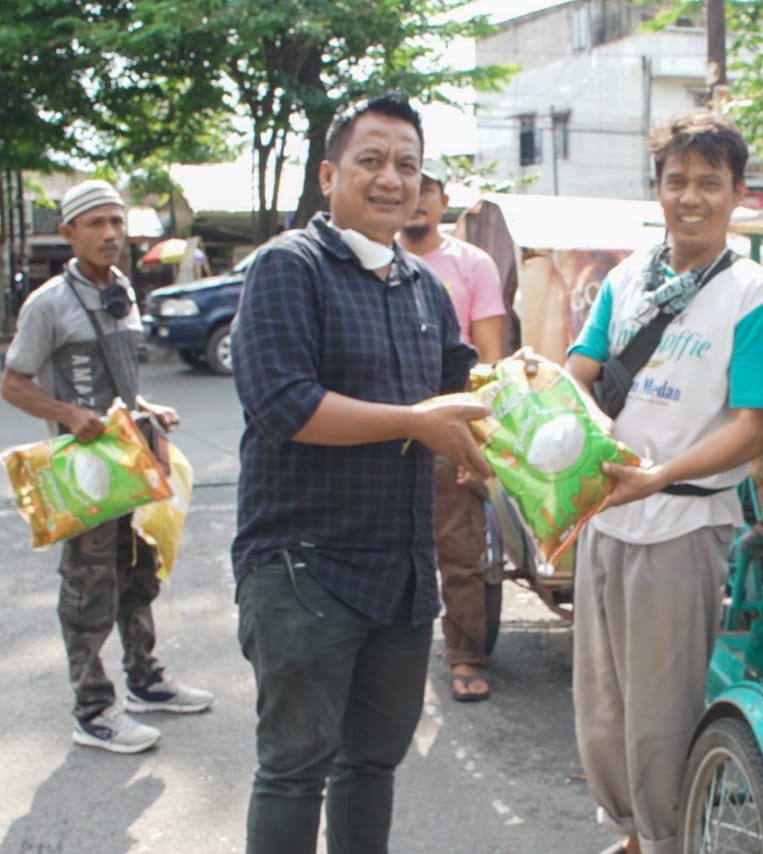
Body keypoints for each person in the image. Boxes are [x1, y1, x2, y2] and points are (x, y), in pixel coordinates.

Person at [230, 92, 491, 854]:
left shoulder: (422, 286)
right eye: (371, 160)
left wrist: (523, 410)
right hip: (302, 570)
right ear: (329, 174)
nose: (391, 179)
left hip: (402, 576)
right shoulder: (289, 266)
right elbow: (286, 405)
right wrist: (415, 423)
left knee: (372, 763)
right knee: (293, 768)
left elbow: (463, 383)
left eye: (407, 165)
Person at [565, 110, 763, 854]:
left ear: (738, 194)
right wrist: (582, 436)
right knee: (602, 701)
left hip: (684, 522)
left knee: (660, 707)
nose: (690, 197)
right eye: (676, 180)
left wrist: (658, 475)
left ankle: (664, 841)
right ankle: (627, 832)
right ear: (657, 188)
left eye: (709, 183)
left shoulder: (754, 296)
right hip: (605, 513)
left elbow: (752, 426)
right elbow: (581, 373)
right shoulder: (627, 277)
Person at [0, 179, 214, 755]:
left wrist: (147, 407)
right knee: (88, 585)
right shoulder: (48, 303)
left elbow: (123, 386)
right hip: (85, 475)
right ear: (68, 234)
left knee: (140, 573)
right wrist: (68, 413)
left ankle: (146, 681)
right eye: (95, 224)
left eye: (117, 222)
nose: (110, 234)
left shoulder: (122, 289)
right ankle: (93, 709)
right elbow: (13, 383)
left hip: (135, 461)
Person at [399, 167, 507, 703]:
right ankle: (389, 648)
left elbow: (488, 362)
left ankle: (464, 653)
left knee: (459, 547)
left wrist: (477, 439)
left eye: (427, 191)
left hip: (450, 425)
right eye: (409, 189)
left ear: (444, 201)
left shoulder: (472, 265)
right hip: (382, 425)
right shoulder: (371, 259)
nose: (415, 200)